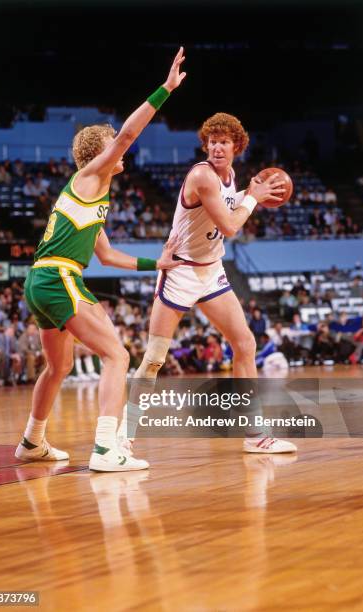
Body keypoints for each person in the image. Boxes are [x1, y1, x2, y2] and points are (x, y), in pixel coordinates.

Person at [15, 47, 187, 471]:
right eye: (113, 146)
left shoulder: (95, 198)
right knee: (117, 355)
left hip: (41, 281)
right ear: (99, 153)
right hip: (58, 279)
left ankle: (32, 442)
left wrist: (157, 265)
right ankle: (107, 449)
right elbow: (128, 134)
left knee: (58, 367)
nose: (121, 150)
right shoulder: (89, 176)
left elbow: (107, 256)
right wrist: (165, 89)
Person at [121, 112, 297, 454]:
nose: (217, 147)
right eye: (212, 141)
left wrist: (255, 190)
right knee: (155, 357)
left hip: (211, 270)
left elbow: (233, 202)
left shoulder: (230, 177)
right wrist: (253, 198)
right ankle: (123, 436)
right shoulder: (202, 176)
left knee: (244, 344)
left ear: (237, 146)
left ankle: (255, 433)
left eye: (224, 142)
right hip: (181, 271)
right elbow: (231, 226)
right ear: (205, 145)